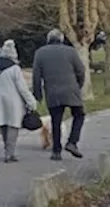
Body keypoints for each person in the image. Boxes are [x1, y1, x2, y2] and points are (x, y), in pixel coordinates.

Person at [33, 28, 88, 160]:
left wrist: (38, 94)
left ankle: (56, 151)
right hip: (71, 89)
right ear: (62, 39)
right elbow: (81, 70)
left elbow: (36, 76)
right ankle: (72, 142)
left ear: (48, 40)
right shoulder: (70, 51)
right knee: (79, 115)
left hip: (52, 91)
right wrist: (78, 85)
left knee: (56, 120)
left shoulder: (40, 53)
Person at [0, 40, 37, 163]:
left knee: (3, 124)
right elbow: (22, 88)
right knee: (13, 125)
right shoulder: (15, 69)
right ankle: (10, 153)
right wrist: (31, 102)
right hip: (13, 101)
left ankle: (7, 149)